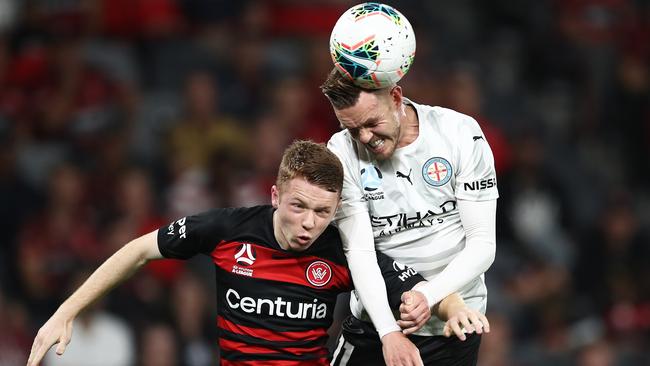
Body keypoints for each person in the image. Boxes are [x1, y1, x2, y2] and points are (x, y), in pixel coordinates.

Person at [27, 140, 482, 366]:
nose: (308, 222)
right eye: (298, 205)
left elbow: (413, 285)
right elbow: (138, 251)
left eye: (321, 212)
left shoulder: (344, 251)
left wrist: (456, 302)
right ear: (274, 195)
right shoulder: (227, 229)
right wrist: (66, 311)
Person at [322, 64, 498, 366]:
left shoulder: (459, 133)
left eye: (371, 122)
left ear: (396, 97)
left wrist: (429, 295)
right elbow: (360, 253)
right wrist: (389, 332)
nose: (364, 138)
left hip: (453, 326)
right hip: (377, 325)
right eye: (352, 129)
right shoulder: (340, 150)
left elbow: (483, 244)